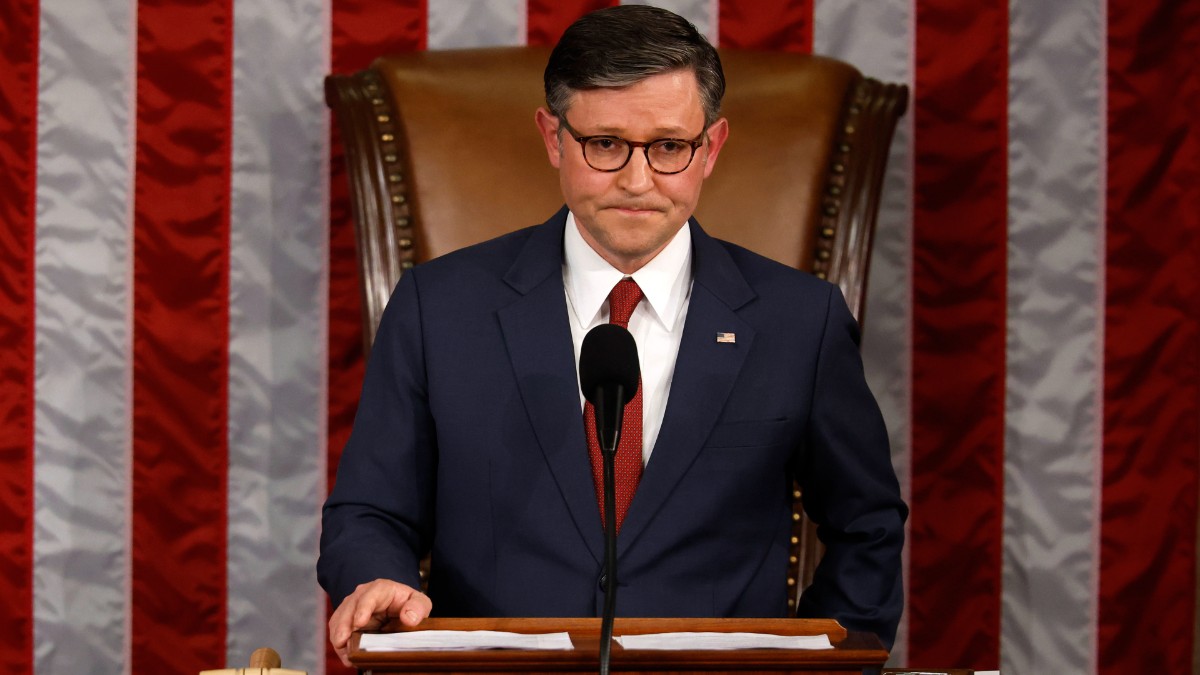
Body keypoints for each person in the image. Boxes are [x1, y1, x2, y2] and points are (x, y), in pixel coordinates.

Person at [318, 5, 906, 667]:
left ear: (710, 148)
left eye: (667, 147)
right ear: (553, 138)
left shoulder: (800, 320)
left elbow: (867, 526)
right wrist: (377, 576)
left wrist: (820, 664)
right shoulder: (439, 307)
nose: (636, 180)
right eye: (605, 144)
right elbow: (368, 511)